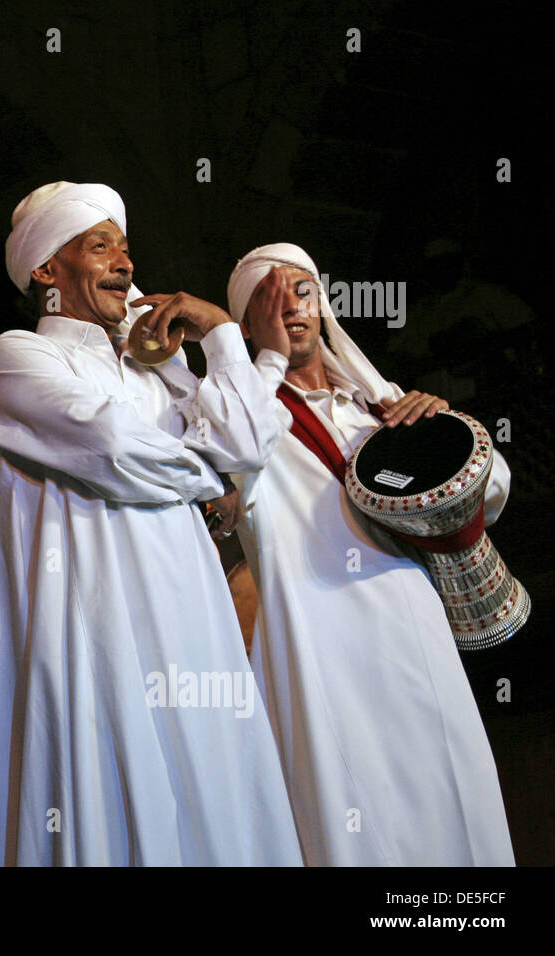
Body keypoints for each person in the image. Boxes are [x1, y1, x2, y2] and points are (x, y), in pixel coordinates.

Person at [0, 181, 303, 865]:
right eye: (100, 247)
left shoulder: (164, 372)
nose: (124, 262)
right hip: (94, 625)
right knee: (116, 800)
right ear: (46, 270)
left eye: (125, 247)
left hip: (192, 620)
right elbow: (116, 451)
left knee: (212, 793)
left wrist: (219, 335)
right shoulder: (17, 358)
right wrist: (207, 475)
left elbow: (248, 442)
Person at [227, 242, 514, 865]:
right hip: (316, 642)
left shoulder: (377, 410)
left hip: (413, 626)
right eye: (268, 300)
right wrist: (267, 363)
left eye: (301, 290)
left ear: (323, 304)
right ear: (247, 327)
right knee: (352, 810)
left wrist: (440, 428)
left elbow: (490, 492)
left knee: (447, 784)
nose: (289, 307)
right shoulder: (247, 419)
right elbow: (228, 458)